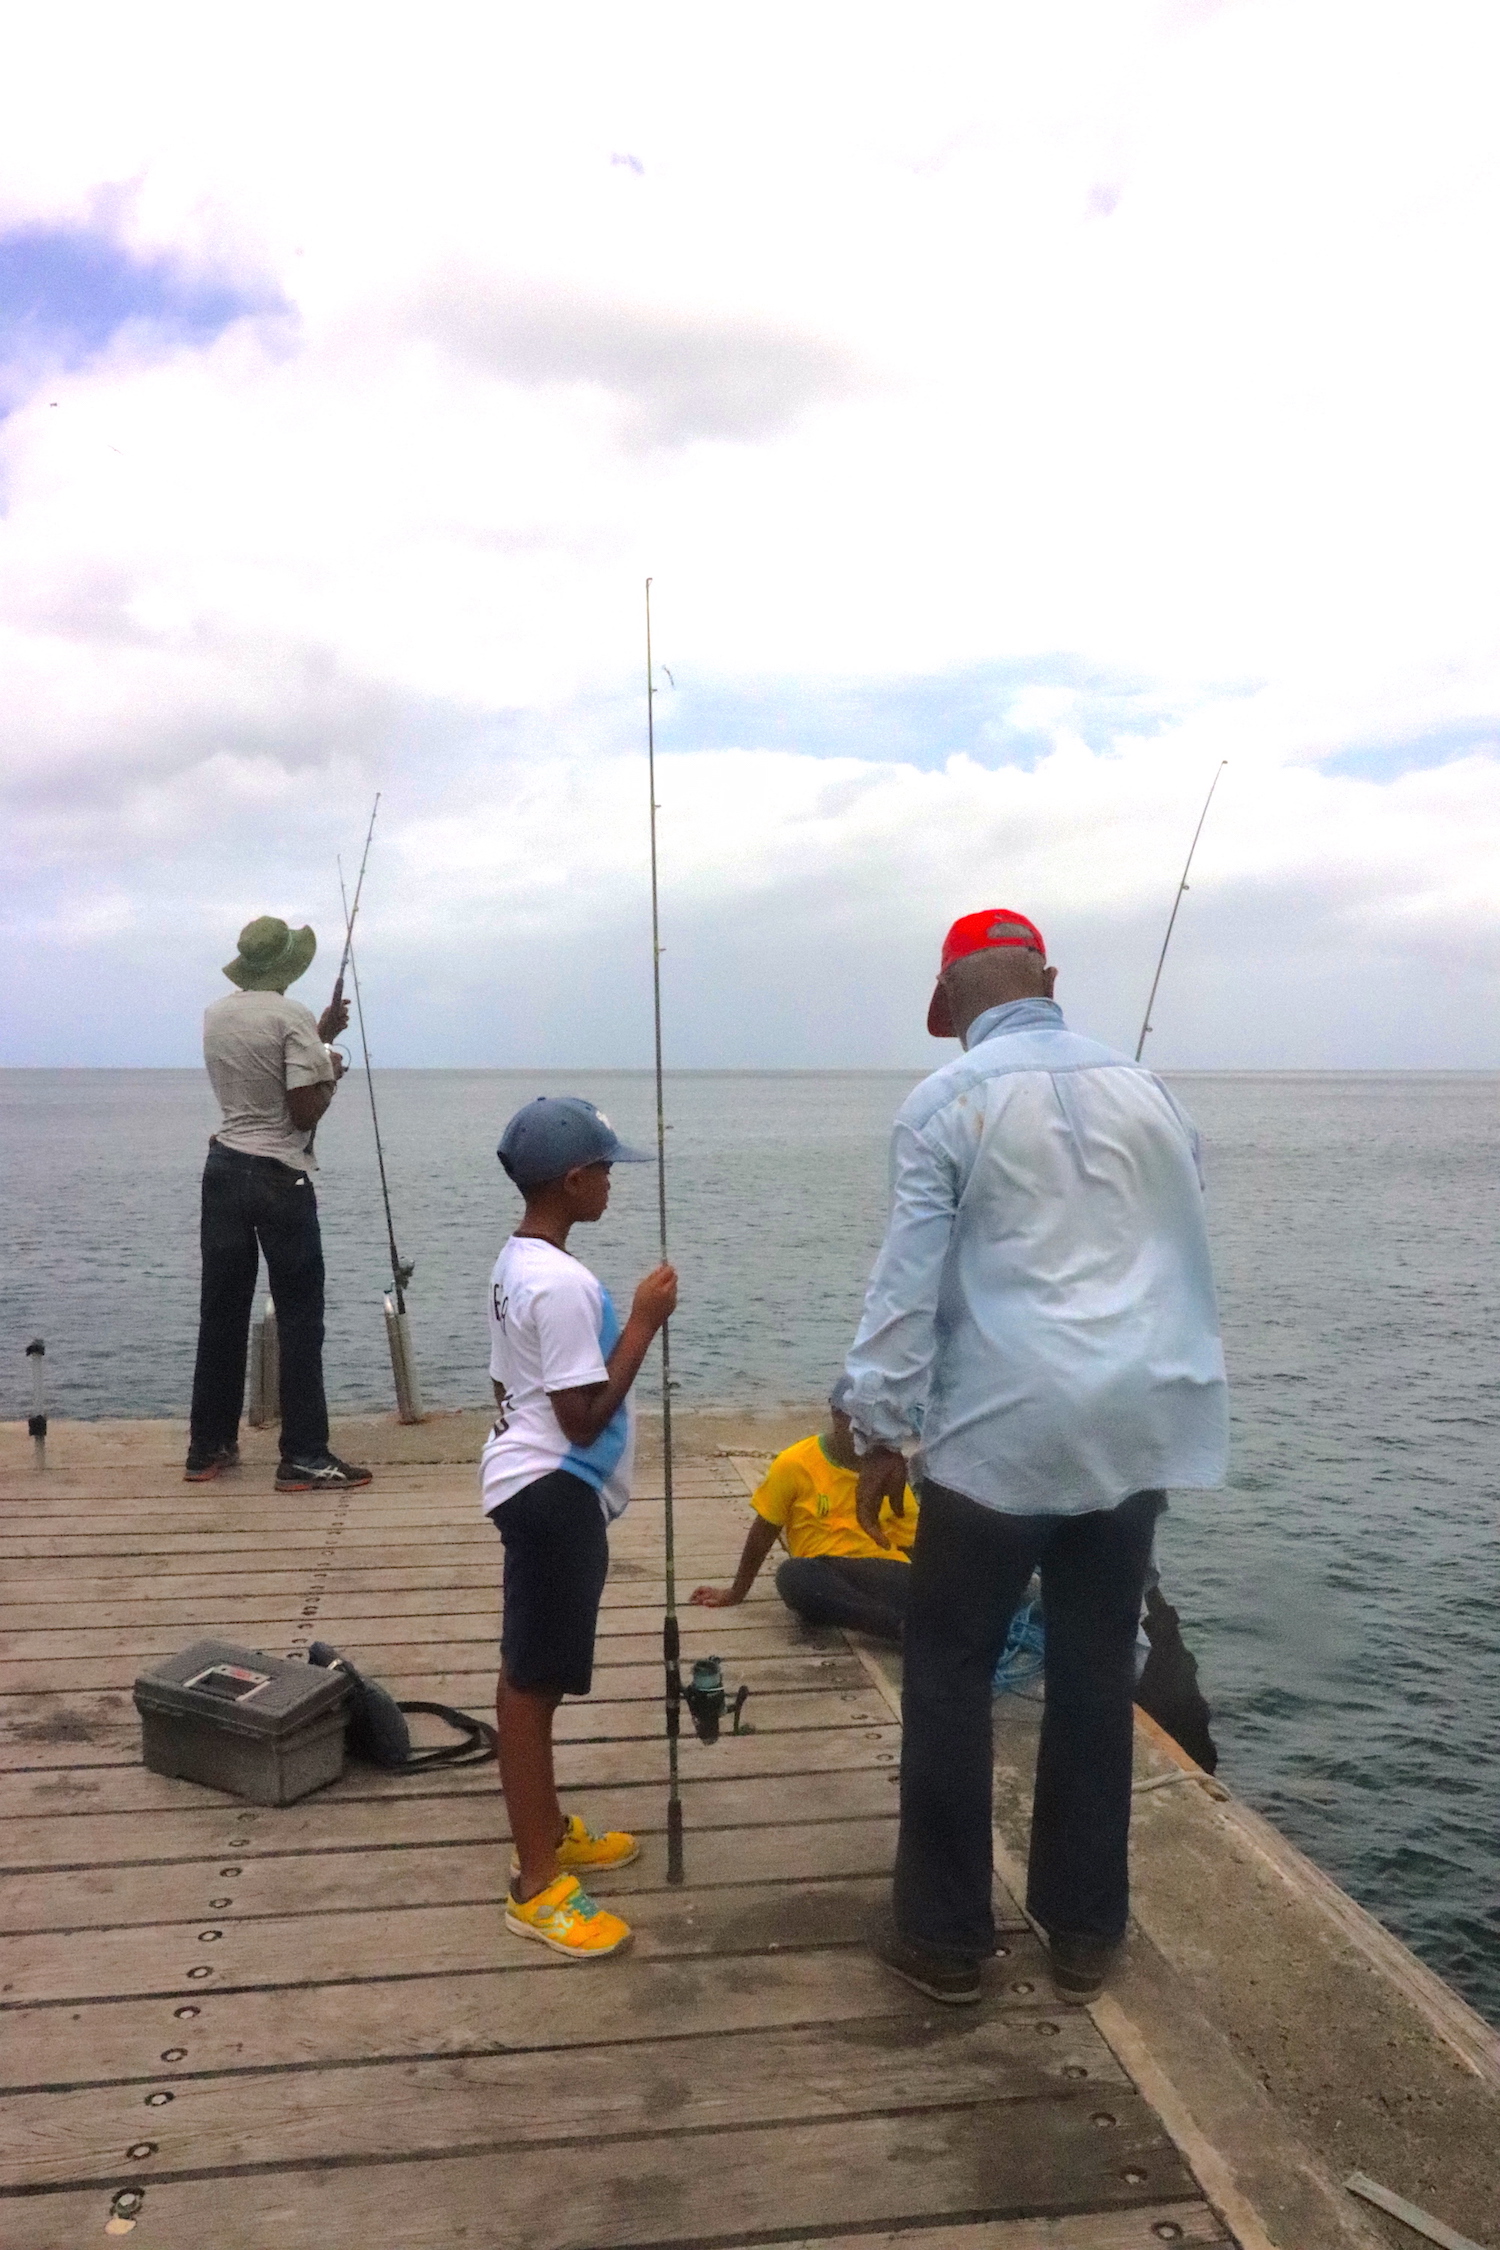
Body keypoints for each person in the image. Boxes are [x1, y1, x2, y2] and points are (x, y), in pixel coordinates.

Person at [844, 907, 1228, 2008]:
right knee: (1097, 1676)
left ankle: (949, 1941)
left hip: (1001, 1437)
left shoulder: (942, 1105)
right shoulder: (1154, 1094)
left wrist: (877, 1428)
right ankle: (1085, 1929)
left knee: (952, 1671)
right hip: (1136, 1430)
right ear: (1048, 977)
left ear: (949, 1006)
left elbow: (905, 1284)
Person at [483, 1096, 677, 1962]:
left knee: (540, 1676)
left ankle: (549, 1830)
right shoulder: (561, 1285)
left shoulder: (523, 1258)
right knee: (530, 1686)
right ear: (573, 1180)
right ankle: (535, 1882)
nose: (611, 1182)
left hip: (543, 1490)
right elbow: (584, 1420)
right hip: (553, 1491)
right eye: (604, 1169)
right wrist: (642, 1321)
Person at [186, 916, 372, 1493]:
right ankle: (305, 1456)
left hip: (222, 1172)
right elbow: (301, 1111)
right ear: (287, 967)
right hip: (279, 1178)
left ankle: (207, 1448)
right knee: (299, 1319)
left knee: (221, 1314)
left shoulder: (217, 1014)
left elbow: (260, 1072)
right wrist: (331, 1071)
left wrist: (316, 1038)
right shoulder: (289, 1017)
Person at [690, 1379, 918, 1641]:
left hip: (881, 1569)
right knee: (793, 1576)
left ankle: (916, 1625)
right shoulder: (795, 1463)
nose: (863, 1430)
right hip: (823, 1569)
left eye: (873, 1422)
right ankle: (899, 1628)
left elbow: (912, 1539)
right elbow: (764, 1531)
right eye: (855, 1420)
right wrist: (735, 1592)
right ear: (835, 1413)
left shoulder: (885, 1468)